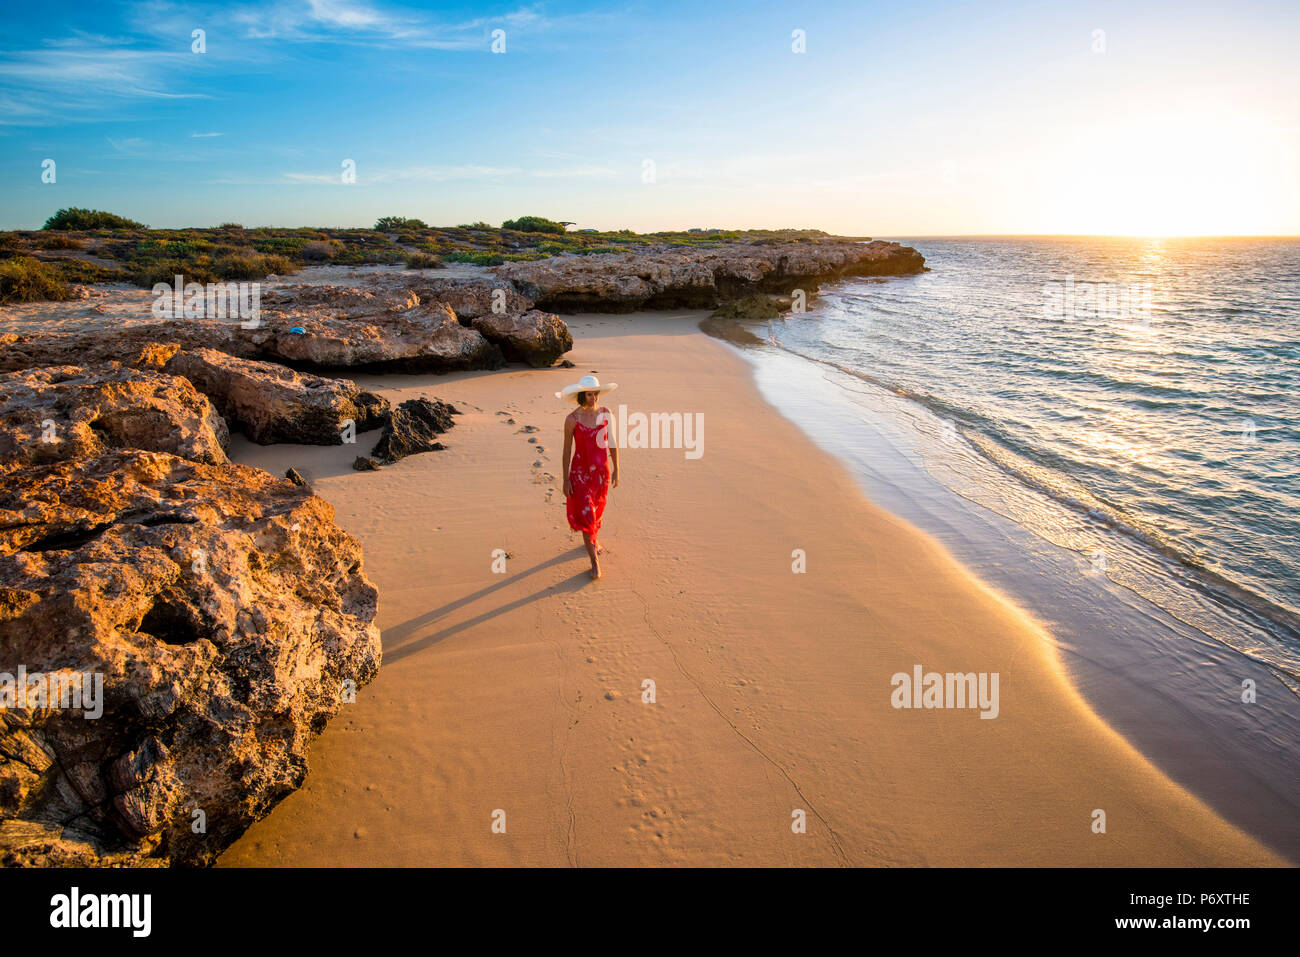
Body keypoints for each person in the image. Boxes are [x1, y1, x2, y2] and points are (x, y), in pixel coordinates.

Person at [556, 375, 620, 579]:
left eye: (595, 394)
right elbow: (567, 450)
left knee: (597, 512)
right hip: (580, 475)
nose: (593, 398)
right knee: (587, 516)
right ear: (581, 396)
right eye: (588, 395)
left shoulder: (606, 413)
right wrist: (565, 479)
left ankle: (593, 540)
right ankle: (594, 562)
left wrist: (617, 468)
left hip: (602, 473)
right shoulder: (571, 419)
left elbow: (612, 443)